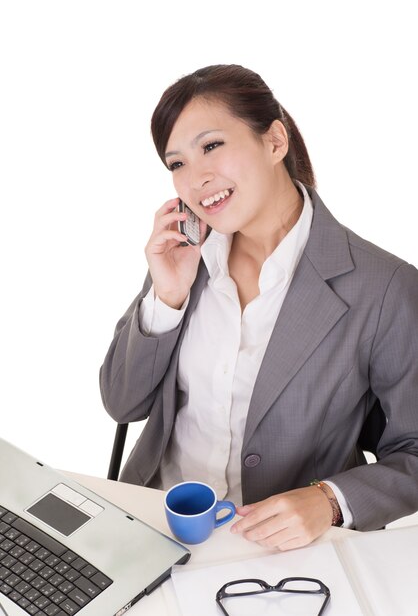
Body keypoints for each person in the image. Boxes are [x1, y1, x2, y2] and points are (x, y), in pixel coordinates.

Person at [100, 64, 418, 551]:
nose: (195, 178)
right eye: (176, 164)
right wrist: (165, 297)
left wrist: (329, 501)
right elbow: (122, 403)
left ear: (274, 141)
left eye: (211, 146)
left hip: (282, 552)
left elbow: (413, 450)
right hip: (155, 528)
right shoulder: (186, 259)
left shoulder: (384, 287)